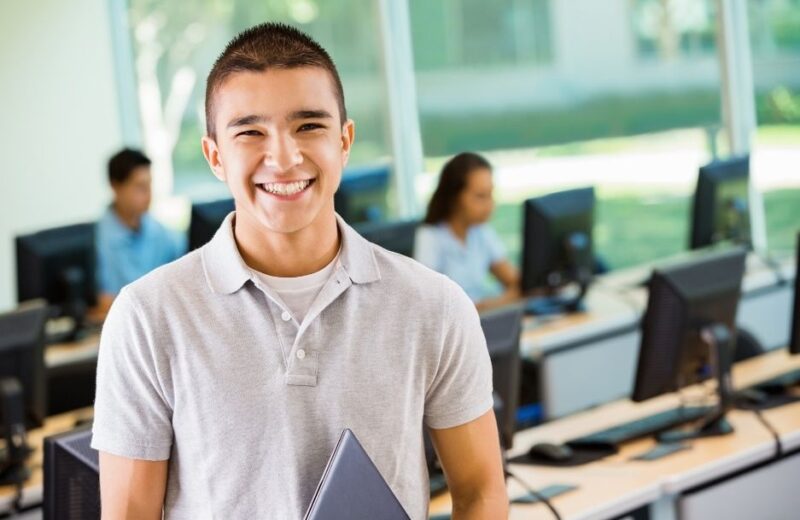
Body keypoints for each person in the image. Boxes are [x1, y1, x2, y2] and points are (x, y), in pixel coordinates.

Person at [91, 23, 507, 519]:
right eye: (250, 132)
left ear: (344, 141)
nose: (284, 158)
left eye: (309, 126)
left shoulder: (435, 305)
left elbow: (481, 490)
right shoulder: (146, 316)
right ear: (215, 156)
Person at [415, 152, 521, 311]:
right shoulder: (430, 237)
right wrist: (500, 302)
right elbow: (430, 307)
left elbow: (513, 279)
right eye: (480, 196)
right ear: (455, 198)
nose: (490, 205)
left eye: (491, 194)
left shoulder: (480, 230)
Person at [93, 148, 184, 316]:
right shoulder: (98, 239)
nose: (149, 195)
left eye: (149, 185)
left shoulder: (159, 231)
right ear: (115, 186)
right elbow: (106, 302)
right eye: (140, 187)